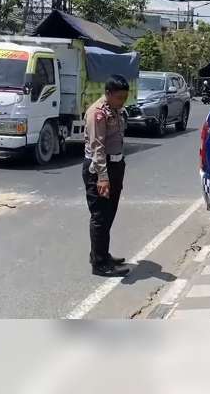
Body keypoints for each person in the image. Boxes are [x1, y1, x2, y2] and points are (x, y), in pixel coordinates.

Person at [83, 75, 131, 278]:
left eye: (125, 97)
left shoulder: (116, 110)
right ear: (108, 94)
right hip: (99, 169)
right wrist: (103, 177)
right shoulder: (97, 113)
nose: (123, 102)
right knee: (100, 216)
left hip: (116, 165)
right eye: (119, 97)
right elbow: (97, 147)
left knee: (110, 212)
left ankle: (101, 253)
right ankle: (99, 264)